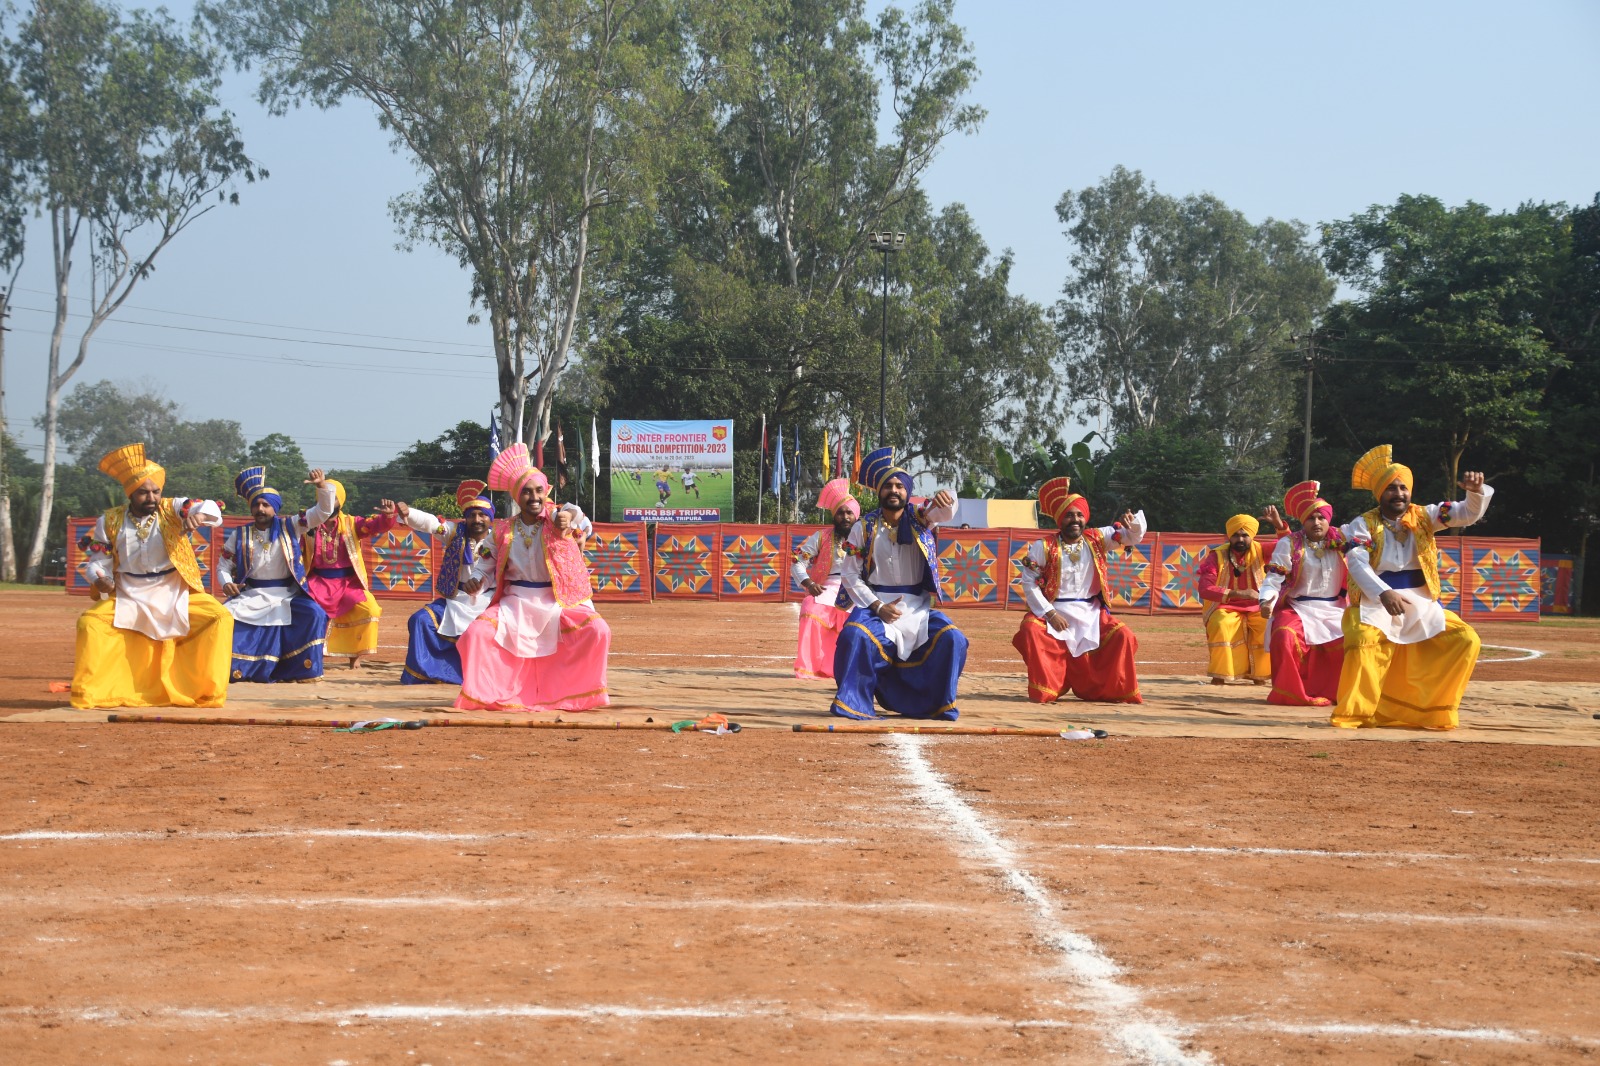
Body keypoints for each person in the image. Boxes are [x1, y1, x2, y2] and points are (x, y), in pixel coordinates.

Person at [1333, 445, 1492, 730]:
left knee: (1466, 639)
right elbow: (1356, 561)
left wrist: (1475, 492)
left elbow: (1466, 513)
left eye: (1403, 488)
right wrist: (1383, 592)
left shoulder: (1427, 516)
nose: (1398, 494)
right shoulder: (1362, 524)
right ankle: (1357, 714)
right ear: (1380, 493)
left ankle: (1426, 708)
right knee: (1363, 640)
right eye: (1391, 488)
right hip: (1376, 599)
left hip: (1420, 601)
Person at [71, 444, 233, 709]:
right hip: (128, 593)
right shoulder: (109, 521)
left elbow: (211, 508)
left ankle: (204, 691)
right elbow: (98, 562)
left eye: (155, 491)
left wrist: (201, 514)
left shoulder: (173, 509)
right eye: (143, 492)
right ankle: (97, 693)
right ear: (130, 493)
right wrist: (99, 578)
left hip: (173, 590)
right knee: (90, 623)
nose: (151, 497)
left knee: (219, 618)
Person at [455, 443, 610, 712]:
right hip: (515, 602)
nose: (534, 497)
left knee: (598, 631)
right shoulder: (501, 530)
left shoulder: (556, 519)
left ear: (545, 492)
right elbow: (485, 566)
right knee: (475, 634)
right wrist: (476, 581)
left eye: (539, 490)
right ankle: (488, 694)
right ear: (518, 496)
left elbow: (578, 517)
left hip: (558, 600)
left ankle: (574, 694)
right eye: (527, 492)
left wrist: (567, 516)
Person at [830, 447, 967, 720]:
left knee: (953, 638)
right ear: (879, 492)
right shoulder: (863, 527)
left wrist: (947, 496)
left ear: (907, 491)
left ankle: (936, 704)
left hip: (917, 609)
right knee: (854, 636)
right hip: (877, 606)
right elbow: (850, 575)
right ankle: (854, 703)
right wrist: (877, 606)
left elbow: (944, 510)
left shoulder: (922, 518)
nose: (893, 490)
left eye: (899, 486)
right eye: (888, 486)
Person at [1012, 478, 1146, 704]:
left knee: (1123, 635)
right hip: (1054, 609)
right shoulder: (1043, 546)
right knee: (1030, 630)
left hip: (1090, 612)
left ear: (1085, 518)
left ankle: (1108, 690)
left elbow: (1132, 537)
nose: (1075, 520)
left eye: (1079, 515)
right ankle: (1048, 689)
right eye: (1069, 515)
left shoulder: (1098, 538)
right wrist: (1050, 614)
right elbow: (1029, 582)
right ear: (1060, 520)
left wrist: (1131, 524)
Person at [216, 466, 337, 684]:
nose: (260, 509)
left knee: (315, 613)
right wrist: (226, 584)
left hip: (287, 595)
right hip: (251, 594)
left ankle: (301, 669)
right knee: (223, 618)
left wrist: (321, 486)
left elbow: (322, 512)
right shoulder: (239, 534)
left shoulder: (291, 525)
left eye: (265, 505)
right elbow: (223, 566)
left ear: (275, 508)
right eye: (256, 505)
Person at [393, 481, 498, 685]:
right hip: (455, 599)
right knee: (420, 620)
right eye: (472, 515)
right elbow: (432, 523)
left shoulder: (499, 539)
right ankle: (425, 674)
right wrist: (409, 513)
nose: (477, 519)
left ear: (490, 518)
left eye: (482, 515)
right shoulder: (454, 533)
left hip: (489, 601)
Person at [1256, 481, 1347, 707]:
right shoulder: (1289, 543)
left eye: (1321, 518)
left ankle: (1339, 692)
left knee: (1357, 637)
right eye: (1310, 518)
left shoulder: (1343, 540)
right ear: (1303, 521)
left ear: (1329, 520)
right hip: (1298, 607)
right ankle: (1293, 693)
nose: (1316, 522)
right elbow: (1273, 578)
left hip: (1337, 609)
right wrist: (1266, 601)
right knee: (1284, 635)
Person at [791, 478, 860, 680]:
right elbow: (797, 561)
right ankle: (812, 668)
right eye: (840, 512)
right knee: (810, 607)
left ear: (856, 515)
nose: (845, 517)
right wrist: (809, 583)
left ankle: (855, 668)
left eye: (849, 513)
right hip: (828, 588)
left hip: (860, 589)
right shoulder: (821, 536)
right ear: (834, 515)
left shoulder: (866, 537)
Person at [1197, 514, 1271, 685]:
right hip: (1225, 606)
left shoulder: (1262, 550)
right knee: (1220, 622)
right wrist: (1238, 593)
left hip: (1257, 607)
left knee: (1266, 624)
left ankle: (1260, 675)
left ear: (1252, 536)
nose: (1240, 539)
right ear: (1229, 536)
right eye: (1236, 535)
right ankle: (1220, 674)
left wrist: (1279, 526)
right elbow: (1205, 588)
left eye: (1245, 535)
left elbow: (1288, 547)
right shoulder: (1216, 556)